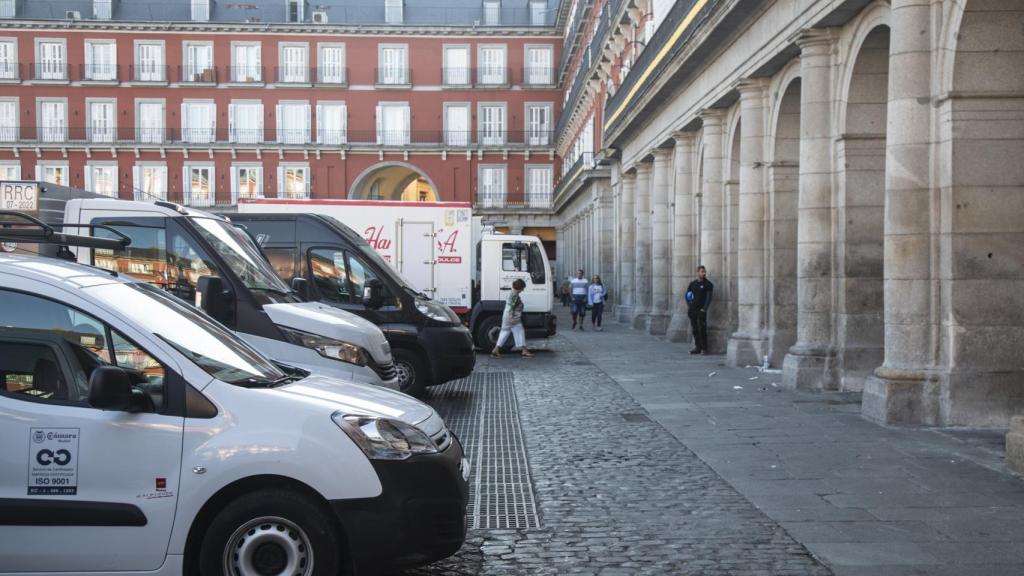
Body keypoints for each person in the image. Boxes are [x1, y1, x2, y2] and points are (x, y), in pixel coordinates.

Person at [492, 278, 533, 358]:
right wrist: (512, 318)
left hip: (506, 316)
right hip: (513, 318)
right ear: (520, 287)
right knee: (520, 331)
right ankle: (524, 350)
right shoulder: (515, 295)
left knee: (505, 332)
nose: (523, 290)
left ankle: (495, 350)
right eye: (523, 288)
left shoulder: (512, 292)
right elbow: (511, 307)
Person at [686, 265, 714, 354]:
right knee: (695, 329)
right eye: (702, 271)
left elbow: (709, 298)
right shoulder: (693, 284)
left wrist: (704, 309)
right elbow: (688, 295)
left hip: (701, 310)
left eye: (704, 271)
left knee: (702, 329)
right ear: (697, 272)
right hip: (693, 310)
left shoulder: (708, 284)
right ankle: (697, 347)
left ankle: (704, 348)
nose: (703, 273)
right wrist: (689, 304)